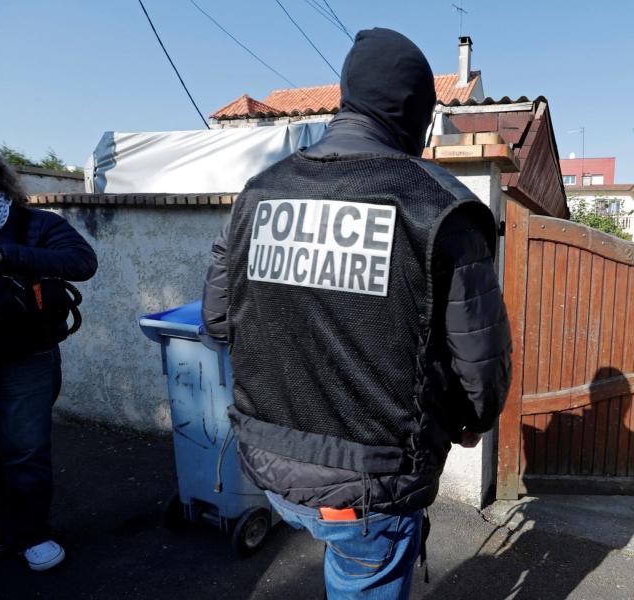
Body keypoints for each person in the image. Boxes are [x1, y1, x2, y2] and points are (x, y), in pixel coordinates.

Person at [202, 28, 511, 599]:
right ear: (415, 112)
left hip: (266, 464)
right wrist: (472, 423)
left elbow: (218, 323)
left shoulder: (256, 195)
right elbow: (481, 370)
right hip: (373, 485)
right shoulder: (439, 207)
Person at [0, 143, 97, 570]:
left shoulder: (33, 224)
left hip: (25, 358)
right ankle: (6, 526)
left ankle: (34, 533)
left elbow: (82, 261)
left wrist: (5, 256)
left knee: (24, 450)